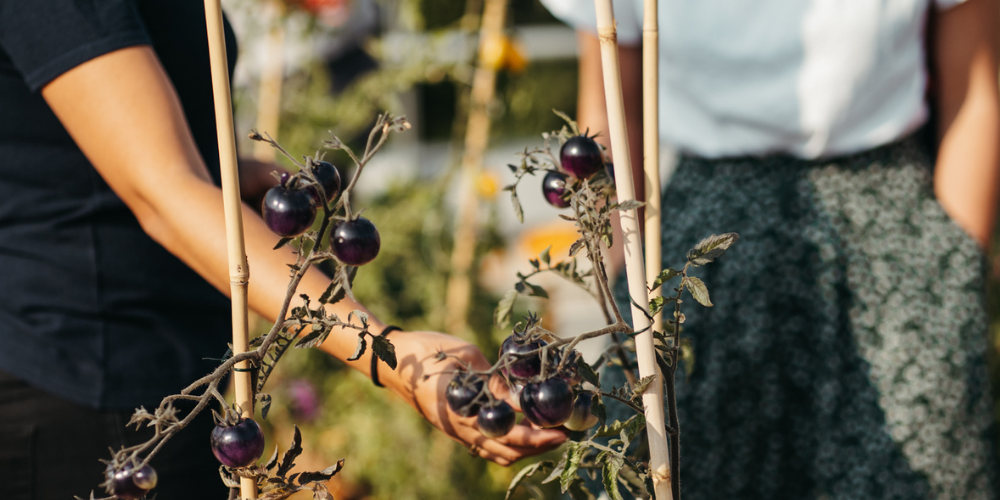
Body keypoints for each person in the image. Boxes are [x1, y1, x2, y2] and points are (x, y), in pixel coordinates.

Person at [0, 1, 565, 499]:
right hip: (83, 383)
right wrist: (391, 355)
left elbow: (91, 146)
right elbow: (163, 192)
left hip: (161, 362)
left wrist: (237, 175)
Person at [542, 0, 1000, 499]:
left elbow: (977, 90)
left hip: (894, 248)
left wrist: (953, 270)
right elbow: (611, 111)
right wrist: (621, 279)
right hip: (699, 257)